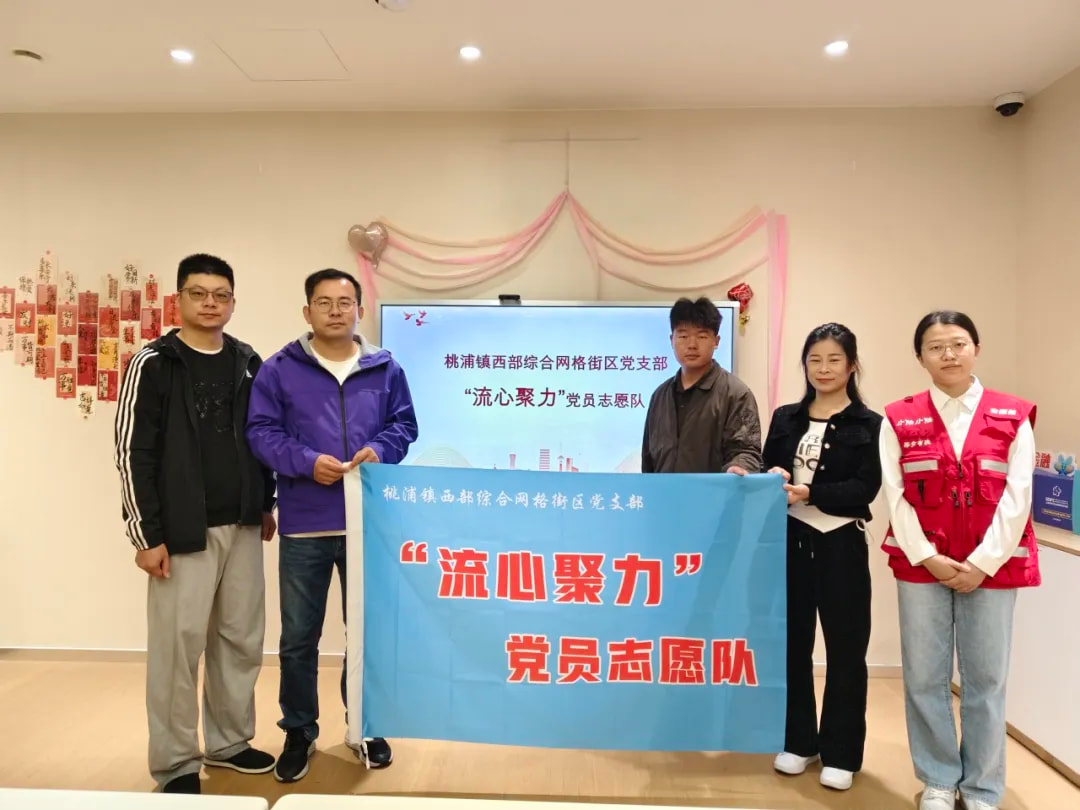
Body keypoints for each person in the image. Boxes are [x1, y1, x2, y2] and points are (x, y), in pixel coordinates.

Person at [114, 254, 278, 795]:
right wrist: (146, 535)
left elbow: (262, 438)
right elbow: (133, 453)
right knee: (177, 650)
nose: (211, 303)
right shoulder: (154, 363)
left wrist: (266, 501)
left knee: (240, 639)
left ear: (232, 302)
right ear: (179, 299)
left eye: (220, 295)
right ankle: (176, 763)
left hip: (244, 525)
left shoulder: (248, 362)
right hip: (182, 532)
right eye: (199, 293)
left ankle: (229, 743)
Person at [246, 268, 418, 783]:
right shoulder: (279, 369)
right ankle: (299, 731)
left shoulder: (385, 368)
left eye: (345, 302)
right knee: (299, 637)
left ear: (359, 310)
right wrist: (305, 462)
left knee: (366, 633)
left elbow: (404, 425)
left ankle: (364, 724)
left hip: (368, 523)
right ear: (307, 311)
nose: (335, 311)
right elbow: (260, 432)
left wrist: (381, 450)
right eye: (324, 303)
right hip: (306, 524)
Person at [880, 311, 1039, 810]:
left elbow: (1019, 495)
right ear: (920, 357)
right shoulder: (898, 417)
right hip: (921, 566)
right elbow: (894, 494)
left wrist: (983, 563)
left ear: (976, 349)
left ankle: (982, 788)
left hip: (992, 568)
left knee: (986, 680)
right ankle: (939, 779)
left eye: (958, 344)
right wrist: (928, 557)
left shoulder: (1013, 414)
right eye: (935, 347)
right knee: (924, 676)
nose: (948, 354)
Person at [762, 323, 882, 792]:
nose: (824, 368)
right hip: (790, 544)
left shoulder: (869, 424)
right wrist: (773, 476)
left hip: (841, 545)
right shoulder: (785, 417)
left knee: (846, 651)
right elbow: (766, 468)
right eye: (815, 359)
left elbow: (864, 488)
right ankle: (799, 741)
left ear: (852, 365)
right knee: (792, 646)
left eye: (834, 359)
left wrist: (810, 492)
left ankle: (842, 753)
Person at [641, 296, 762, 475]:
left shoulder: (736, 394)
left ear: (716, 341)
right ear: (671, 340)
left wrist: (737, 469)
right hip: (663, 492)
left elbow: (747, 451)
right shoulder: (660, 395)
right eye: (683, 336)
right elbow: (648, 460)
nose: (692, 345)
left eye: (702, 336)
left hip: (715, 492)